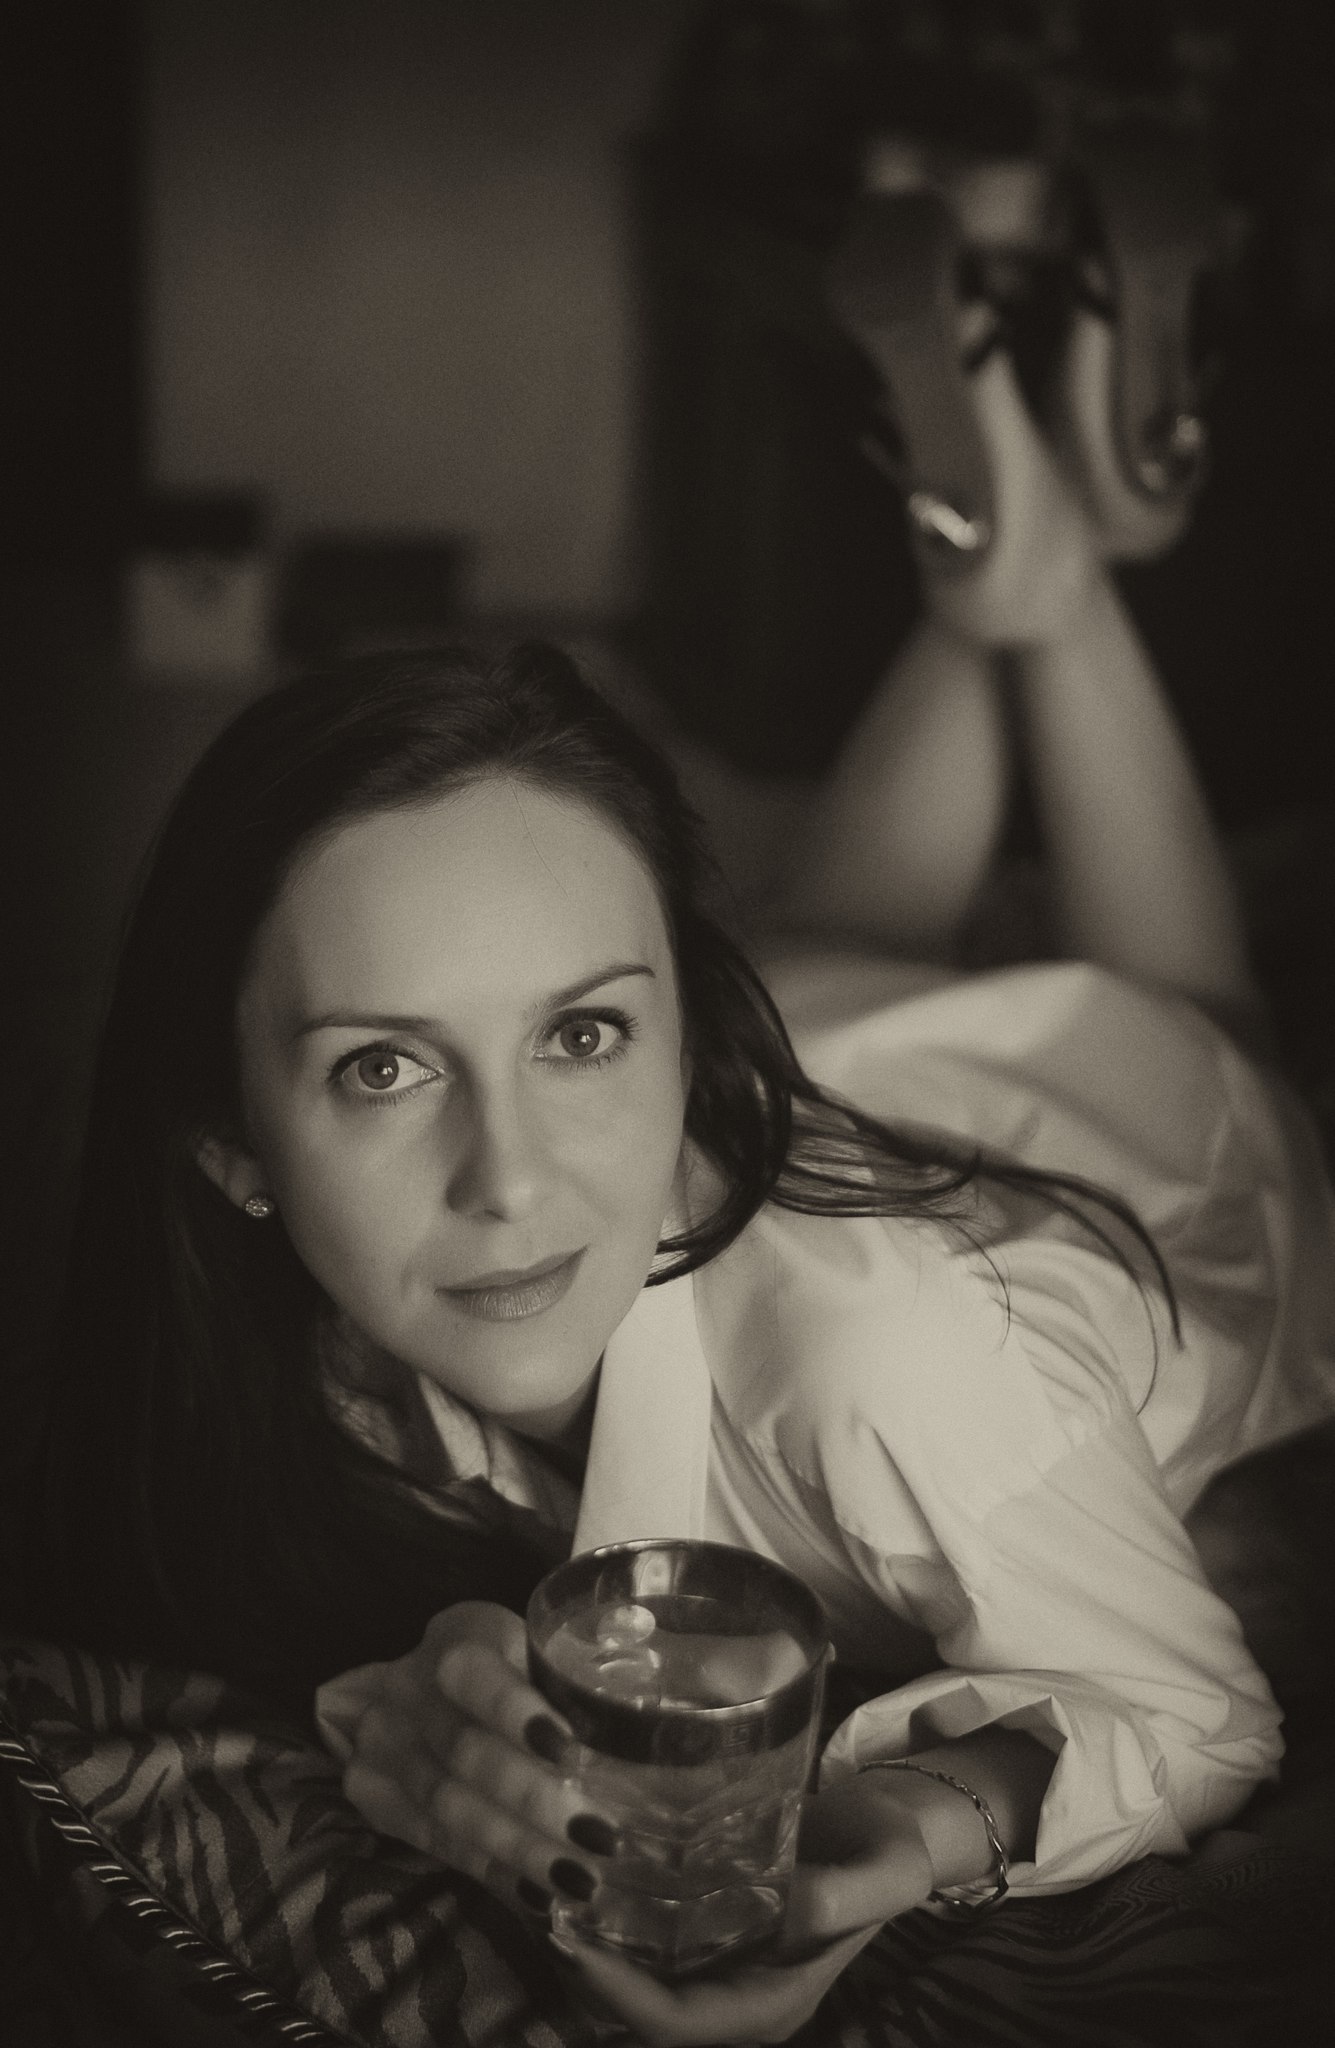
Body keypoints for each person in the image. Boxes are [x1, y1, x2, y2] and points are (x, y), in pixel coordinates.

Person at [21, 227, 1335, 2048]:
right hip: (809, 1044)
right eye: (385, 1069)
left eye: (576, 1033)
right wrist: (422, 1684)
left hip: (1087, 1148)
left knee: (1208, 1020)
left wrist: (890, 1844)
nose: (508, 1182)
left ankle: (1047, 567)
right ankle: (1014, 552)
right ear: (228, 1148)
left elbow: (1200, 1712)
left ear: (671, 1031)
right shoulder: (313, 1363)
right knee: (835, 935)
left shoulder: (896, 1371)